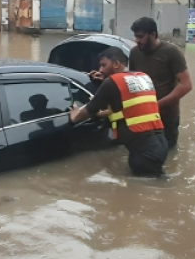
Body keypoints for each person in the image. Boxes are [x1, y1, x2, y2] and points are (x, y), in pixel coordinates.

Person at [70, 47, 168, 176]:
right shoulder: (143, 77)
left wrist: (74, 117)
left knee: (140, 191)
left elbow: (90, 109)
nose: (100, 70)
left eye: (104, 65)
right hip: (160, 145)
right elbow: (128, 109)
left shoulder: (111, 83)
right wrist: (106, 81)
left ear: (116, 64)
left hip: (144, 153)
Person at [128, 17, 192, 147]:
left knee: (168, 154)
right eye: (136, 37)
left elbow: (186, 85)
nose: (137, 40)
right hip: (143, 116)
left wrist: (157, 105)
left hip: (167, 116)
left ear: (153, 34)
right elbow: (132, 80)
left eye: (141, 37)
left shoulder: (171, 52)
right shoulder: (135, 53)